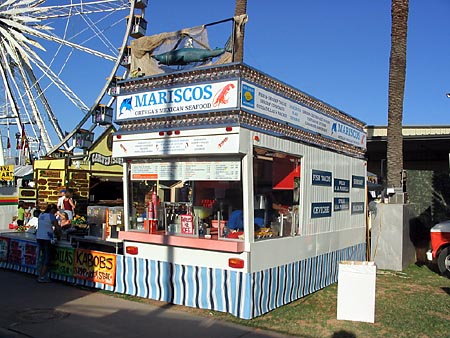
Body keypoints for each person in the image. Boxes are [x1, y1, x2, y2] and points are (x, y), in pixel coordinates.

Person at [36, 203, 60, 283]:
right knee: (46, 257)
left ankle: (40, 274)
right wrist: (58, 234)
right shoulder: (51, 216)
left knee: (41, 256)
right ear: (52, 210)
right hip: (47, 238)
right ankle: (42, 276)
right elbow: (57, 228)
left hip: (39, 237)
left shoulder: (41, 215)